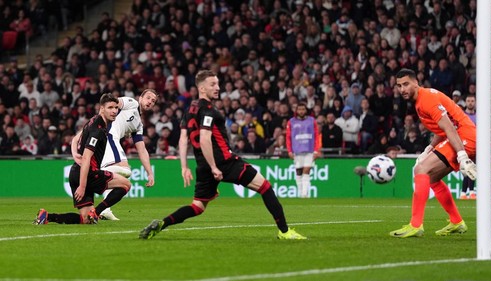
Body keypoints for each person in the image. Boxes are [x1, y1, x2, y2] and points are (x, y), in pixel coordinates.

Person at [139, 70, 306, 240]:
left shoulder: (190, 110)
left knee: (198, 206)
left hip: (202, 165)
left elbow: (183, 139)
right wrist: (214, 167)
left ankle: (162, 224)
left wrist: (184, 167)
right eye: (213, 84)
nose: (218, 87)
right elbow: (204, 138)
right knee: (265, 187)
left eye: (218, 83)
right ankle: (285, 232)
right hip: (223, 161)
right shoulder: (209, 110)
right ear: (202, 88)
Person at [390, 68, 476, 238]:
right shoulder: (422, 99)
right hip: (460, 136)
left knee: (421, 170)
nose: (402, 89)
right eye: (399, 86)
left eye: (406, 84)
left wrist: (462, 156)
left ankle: (415, 225)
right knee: (433, 179)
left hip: (464, 137)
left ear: (416, 82)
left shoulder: (426, 99)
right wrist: (429, 149)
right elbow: (442, 127)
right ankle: (457, 221)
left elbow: (449, 127)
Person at [34, 94, 131, 225]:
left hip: (75, 172)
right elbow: (86, 157)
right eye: (110, 107)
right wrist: (82, 185)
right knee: (126, 184)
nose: (114, 111)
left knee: (85, 220)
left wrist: (74, 154)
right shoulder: (98, 130)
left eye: (116, 108)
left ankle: (47, 217)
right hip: (88, 174)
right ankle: (97, 212)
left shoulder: (92, 121)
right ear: (101, 109)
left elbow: (74, 139)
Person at [72, 89, 158, 220]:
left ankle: (103, 207)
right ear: (140, 97)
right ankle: (103, 206)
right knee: (126, 171)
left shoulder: (138, 124)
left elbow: (142, 149)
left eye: (153, 101)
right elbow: (111, 103)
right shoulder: (132, 103)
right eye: (148, 98)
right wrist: (74, 150)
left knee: (126, 173)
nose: (150, 102)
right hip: (109, 139)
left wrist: (149, 172)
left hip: (108, 141)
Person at [285, 102, 321, 198]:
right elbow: (288, 137)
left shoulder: (311, 121)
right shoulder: (291, 122)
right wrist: (289, 150)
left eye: (303, 109)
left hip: (309, 150)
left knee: (307, 170)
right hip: (297, 150)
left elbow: (316, 135)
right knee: (299, 172)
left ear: (306, 110)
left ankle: (304, 194)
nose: (301, 111)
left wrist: (317, 150)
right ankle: (301, 193)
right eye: (299, 109)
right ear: (296, 111)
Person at [460, 94, 476, 199]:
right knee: (468, 168)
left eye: (472, 101)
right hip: (464, 145)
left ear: (475, 102)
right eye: (468, 101)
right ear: (465, 102)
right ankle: (471, 192)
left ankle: (463, 193)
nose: (470, 103)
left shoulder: (478, 116)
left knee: (470, 168)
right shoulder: (462, 115)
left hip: (476, 146)